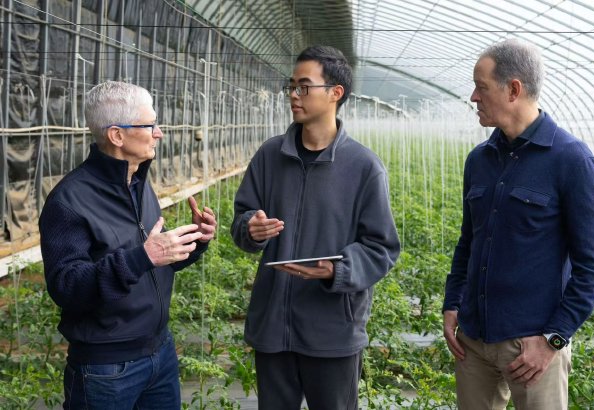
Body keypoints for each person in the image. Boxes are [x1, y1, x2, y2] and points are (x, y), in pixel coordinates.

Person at [442, 39, 594, 409]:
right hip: (473, 339)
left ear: (513, 89)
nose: (473, 96)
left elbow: (593, 264)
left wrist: (553, 338)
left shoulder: (571, 160)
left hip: (532, 348)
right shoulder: (479, 160)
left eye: (481, 87)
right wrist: (452, 302)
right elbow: (468, 241)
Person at [231, 45, 400, 410]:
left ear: (335, 93)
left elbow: (382, 247)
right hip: (273, 328)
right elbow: (242, 219)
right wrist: (251, 229)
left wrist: (337, 270)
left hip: (333, 331)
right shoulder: (269, 156)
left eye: (304, 87)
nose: (294, 95)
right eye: (291, 86)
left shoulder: (364, 167)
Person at [39, 81, 217, 409]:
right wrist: (143, 256)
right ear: (117, 135)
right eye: (150, 125)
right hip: (106, 369)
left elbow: (151, 263)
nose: (159, 133)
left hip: (159, 352)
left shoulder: (137, 184)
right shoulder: (69, 201)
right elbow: (66, 287)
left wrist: (195, 241)